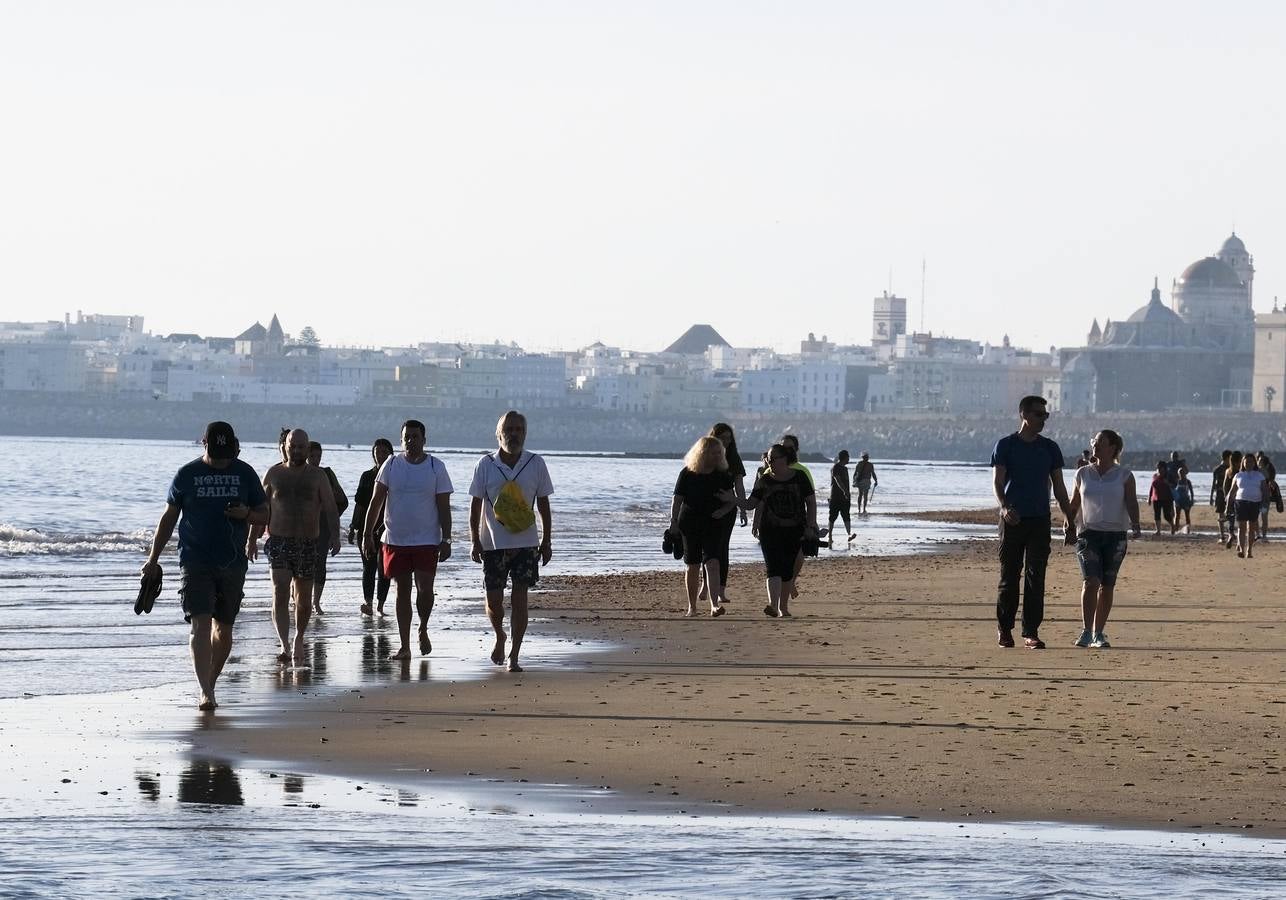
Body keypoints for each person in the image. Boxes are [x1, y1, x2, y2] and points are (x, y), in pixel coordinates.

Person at [142, 422, 269, 710]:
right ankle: (205, 691)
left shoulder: (245, 472)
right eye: (217, 454)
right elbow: (168, 519)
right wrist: (153, 559)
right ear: (204, 444)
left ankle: (211, 680)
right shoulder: (187, 474)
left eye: (227, 455)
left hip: (232, 563)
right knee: (200, 624)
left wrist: (247, 513)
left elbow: (264, 513)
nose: (223, 461)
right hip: (194, 560)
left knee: (223, 630)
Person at [468, 411, 554, 672]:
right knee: (493, 601)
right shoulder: (485, 465)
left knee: (520, 599)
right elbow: (474, 506)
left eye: (518, 430)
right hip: (493, 544)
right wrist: (474, 539)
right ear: (498, 434)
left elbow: (543, 504)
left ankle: (514, 655)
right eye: (509, 429)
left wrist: (547, 540)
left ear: (525, 434)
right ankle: (500, 636)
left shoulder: (536, 463)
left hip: (526, 544)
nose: (513, 434)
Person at [248, 428, 341, 664]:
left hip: (308, 542)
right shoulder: (273, 474)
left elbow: (330, 506)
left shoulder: (318, 476)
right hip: (279, 541)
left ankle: (299, 636)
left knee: (303, 598)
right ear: (285, 446)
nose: (297, 450)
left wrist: (335, 535)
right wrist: (251, 540)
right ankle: (284, 643)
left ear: (307, 449)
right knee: (279, 591)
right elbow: (261, 510)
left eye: (301, 446)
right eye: (293, 446)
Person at [363, 419, 453, 660]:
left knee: (425, 590)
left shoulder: (436, 467)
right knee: (401, 591)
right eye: (406, 438)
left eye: (415, 437)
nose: (411, 441)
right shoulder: (391, 465)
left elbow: (444, 507)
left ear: (424, 440)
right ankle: (405, 645)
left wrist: (447, 539)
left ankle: (423, 627)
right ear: (401, 441)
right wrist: (366, 534)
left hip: (426, 540)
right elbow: (376, 501)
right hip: (395, 539)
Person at [990, 395, 1072, 650]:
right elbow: (997, 481)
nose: (1043, 420)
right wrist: (1004, 507)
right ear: (1024, 415)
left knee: (1036, 577)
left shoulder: (1050, 448)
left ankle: (1031, 631)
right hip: (1013, 519)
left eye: (1045, 415)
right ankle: (1005, 628)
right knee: (1010, 576)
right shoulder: (1005, 445)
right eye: (1039, 415)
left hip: (1040, 520)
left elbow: (1059, 487)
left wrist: (1070, 519)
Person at [1067, 429, 1141, 649]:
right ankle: (1086, 631)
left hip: (1116, 536)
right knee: (1091, 581)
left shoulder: (1124, 475)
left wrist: (1136, 525)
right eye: (1094, 442)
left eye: (1100, 442)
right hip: (1088, 534)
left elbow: (1131, 502)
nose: (1095, 445)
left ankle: (1099, 633)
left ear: (1113, 448)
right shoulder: (1082, 473)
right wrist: (1068, 523)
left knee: (1107, 585)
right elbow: (1074, 502)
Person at [668, 435, 736, 618]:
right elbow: (677, 500)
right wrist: (673, 522)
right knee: (692, 565)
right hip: (690, 523)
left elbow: (731, 500)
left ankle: (714, 605)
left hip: (714, 523)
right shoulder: (688, 473)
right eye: (713, 453)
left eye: (719, 453)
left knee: (713, 563)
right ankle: (692, 607)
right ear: (702, 453)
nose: (717, 456)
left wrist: (723, 511)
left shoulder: (723, 475)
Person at [748, 443, 818, 618]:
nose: (769, 462)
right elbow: (752, 503)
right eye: (768, 459)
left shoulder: (800, 477)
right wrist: (732, 499)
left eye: (773, 459)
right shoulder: (765, 480)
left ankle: (783, 608)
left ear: (785, 459)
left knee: (787, 570)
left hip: (795, 530)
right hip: (769, 531)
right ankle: (773, 605)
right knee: (773, 567)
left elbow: (811, 502)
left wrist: (810, 527)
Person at [699, 423, 748, 606]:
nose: (726, 442)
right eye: (722, 438)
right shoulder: (705, 457)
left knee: (721, 548)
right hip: (706, 508)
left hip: (728, 509)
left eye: (729, 438)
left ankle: (720, 590)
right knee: (707, 548)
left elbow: (739, 486)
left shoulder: (734, 458)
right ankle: (705, 584)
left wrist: (743, 508)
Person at [350, 438, 394, 617]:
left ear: (390, 454)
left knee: (384, 569)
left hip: (387, 529)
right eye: (377, 452)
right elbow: (360, 504)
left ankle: (380, 606)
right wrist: (353, 526)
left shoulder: (394, 475)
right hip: (365, 528)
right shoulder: (367, 476)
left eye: (384, 452)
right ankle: (368, 603)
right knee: (368, 567)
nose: (380, 455)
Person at [306, 441, 349, 615]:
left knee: (320, 563)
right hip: (302, 525)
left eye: (318, 456)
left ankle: (316, 602)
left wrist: (334, 529)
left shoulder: (327, 473)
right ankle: (300, 599)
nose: (315, 460)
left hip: (323, 525)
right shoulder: (299, 473)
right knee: (301, 563)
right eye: (312, 456)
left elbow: (342, 501)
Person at [1228, 452, 1266, 559]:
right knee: (1241, 527)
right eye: (1246, 461)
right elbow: (1232, 492)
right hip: (1240, 502)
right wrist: (1228, 506)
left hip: (1255, 503)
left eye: (1251, 461)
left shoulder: (1259, 475)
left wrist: (1264, 503)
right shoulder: (1238, 475)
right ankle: (1241, 549)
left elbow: (1265, 490)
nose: (1248, 463)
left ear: (1254, 463)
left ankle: (1249, 550)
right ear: (1243, 463)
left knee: (1251, 528)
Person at [826, 450, 856, 547]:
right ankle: (830, 536)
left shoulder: (845, 469)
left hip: (845, 498)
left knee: (846, 516)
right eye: (848, 457)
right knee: (832, 517)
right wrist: (844, 491)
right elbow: (837, 480)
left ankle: (849, 534)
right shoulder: (836, 467)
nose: (849, 459)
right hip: (835, 497)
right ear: (845, 457)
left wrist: (847, 493)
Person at [1221, 451, 1243, 548]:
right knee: (1240, 520)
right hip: (1239, 499)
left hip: (1230, 499)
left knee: (1231, 519)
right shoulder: (1242, 472)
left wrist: (1226, 497)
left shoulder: (1228, 471)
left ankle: (1231, 535)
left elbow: (1225, 486)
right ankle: (1238, 541)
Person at [1210, 449, 1232, 545]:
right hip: (1221, 494)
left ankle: (1228, 535)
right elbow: (1214, 484)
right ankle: (1223, 536)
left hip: (1228, 494)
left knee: (1228, 514)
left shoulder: (1230, 469)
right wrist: (1211, 496)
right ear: (1227, 458)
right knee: (1221, 514)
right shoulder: (1220, 469)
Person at [1148, 462, 1175, 536]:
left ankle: (1172, 525)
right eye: (1158, 468)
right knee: (1157, 515)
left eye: (1161, 468)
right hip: (1156, 498)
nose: (1159, 469)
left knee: (1166, 515)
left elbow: (1175, 486)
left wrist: (1168, 483)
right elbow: (1152, 487)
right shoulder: (1155, 476)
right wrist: (1149, 497)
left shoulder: (1169, 476)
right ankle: (1158, 531)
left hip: (1166, 498)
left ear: (1165, 468)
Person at [1256, 451, 1278, 540]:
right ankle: (1258, 534)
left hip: (1265, 497)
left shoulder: (1269, 469)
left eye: (1261, 459)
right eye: (1258, 458)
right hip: (1256, 497)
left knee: (1264, 516)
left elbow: (1272, 483)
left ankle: (1263, 535)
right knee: (1255, 517)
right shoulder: (1255, 469)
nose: (1259, 460)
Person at [1173, 465, 1195, 535]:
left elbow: (1191, 492)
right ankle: (1175, 529)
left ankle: (1188, 530)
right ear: (1178, 474)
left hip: (1186, 500)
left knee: (1187, 516)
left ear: (1185, 473)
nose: (1181, 474)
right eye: (1180, 473)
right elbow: (1174, 491)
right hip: (1178, 501)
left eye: (1183, 473)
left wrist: (1192, 500)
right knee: (1177, 516)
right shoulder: (1177, 481)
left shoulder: (1188, 482)